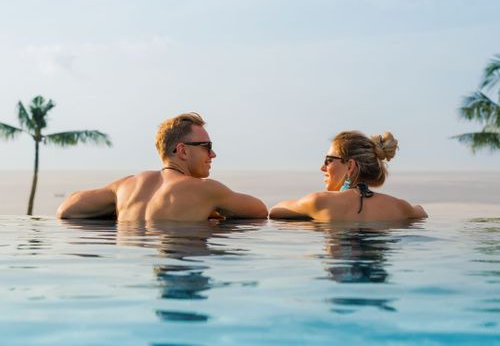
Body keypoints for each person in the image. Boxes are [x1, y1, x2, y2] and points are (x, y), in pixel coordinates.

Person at [57, 112, 268, 222]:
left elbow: (66, 209)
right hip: (183, 263)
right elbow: (261, 211)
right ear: (183, 151)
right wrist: (212, 208)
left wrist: (116, 209)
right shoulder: (206, 190)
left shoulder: (125, 186)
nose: (213, 154)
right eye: (207, 147)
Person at [270, 130, 427, 222]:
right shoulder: (399, 207)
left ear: (350, 166)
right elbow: (421, 212)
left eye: (329, 160)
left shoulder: (320, 202)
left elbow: (274, 211)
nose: (322, 167)